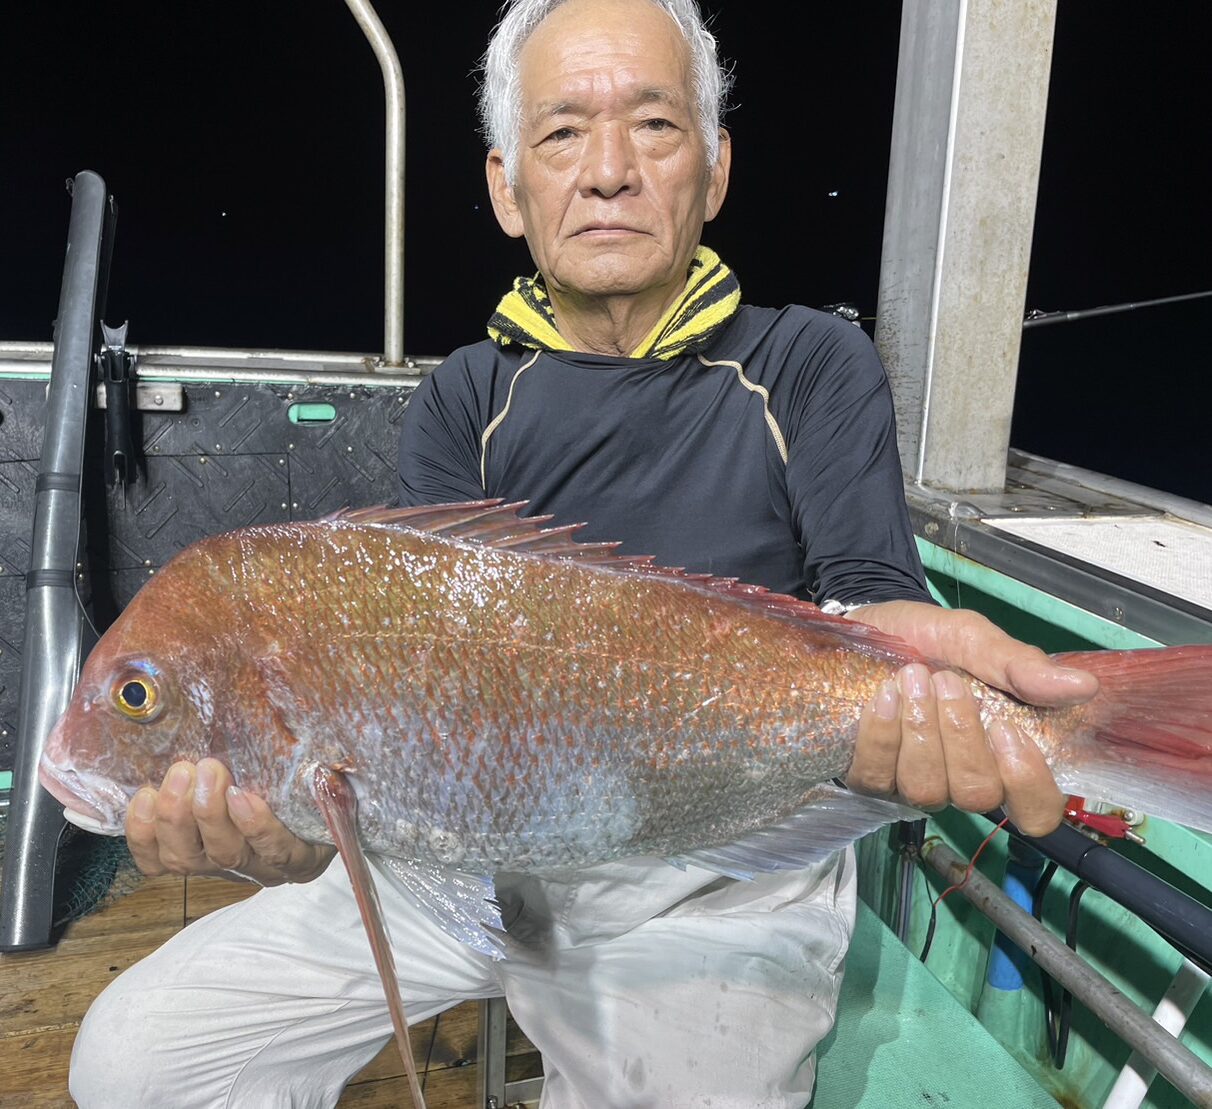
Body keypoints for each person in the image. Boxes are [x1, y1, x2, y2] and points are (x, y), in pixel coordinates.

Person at [68, 1, 1098, 1106]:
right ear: (509, 189)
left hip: (713, 871)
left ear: (714, 169)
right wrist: (287, 834)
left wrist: (932, 689)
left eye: (654, 126)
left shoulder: (811, 361)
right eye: (563, 134)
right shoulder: (466, 393)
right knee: (137, 1061)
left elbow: (865, 612)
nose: (608, 171)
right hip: (461, 851)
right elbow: (401, 716)